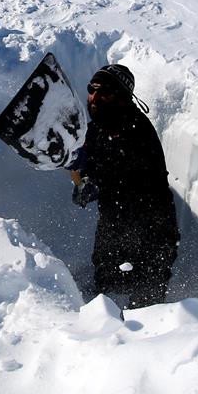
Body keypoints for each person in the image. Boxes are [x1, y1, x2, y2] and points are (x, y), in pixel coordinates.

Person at [69, 64, 179, 309]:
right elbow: (89, 171)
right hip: (114, 225)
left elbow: (123, 178)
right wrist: (80, 176)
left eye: (105, 91)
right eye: (92, 89)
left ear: (122, 97)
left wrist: (93, 184)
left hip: (152, 234)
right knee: (103, 295)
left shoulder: (137, 133)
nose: (95, 97)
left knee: (146, 308)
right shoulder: (97, 128)